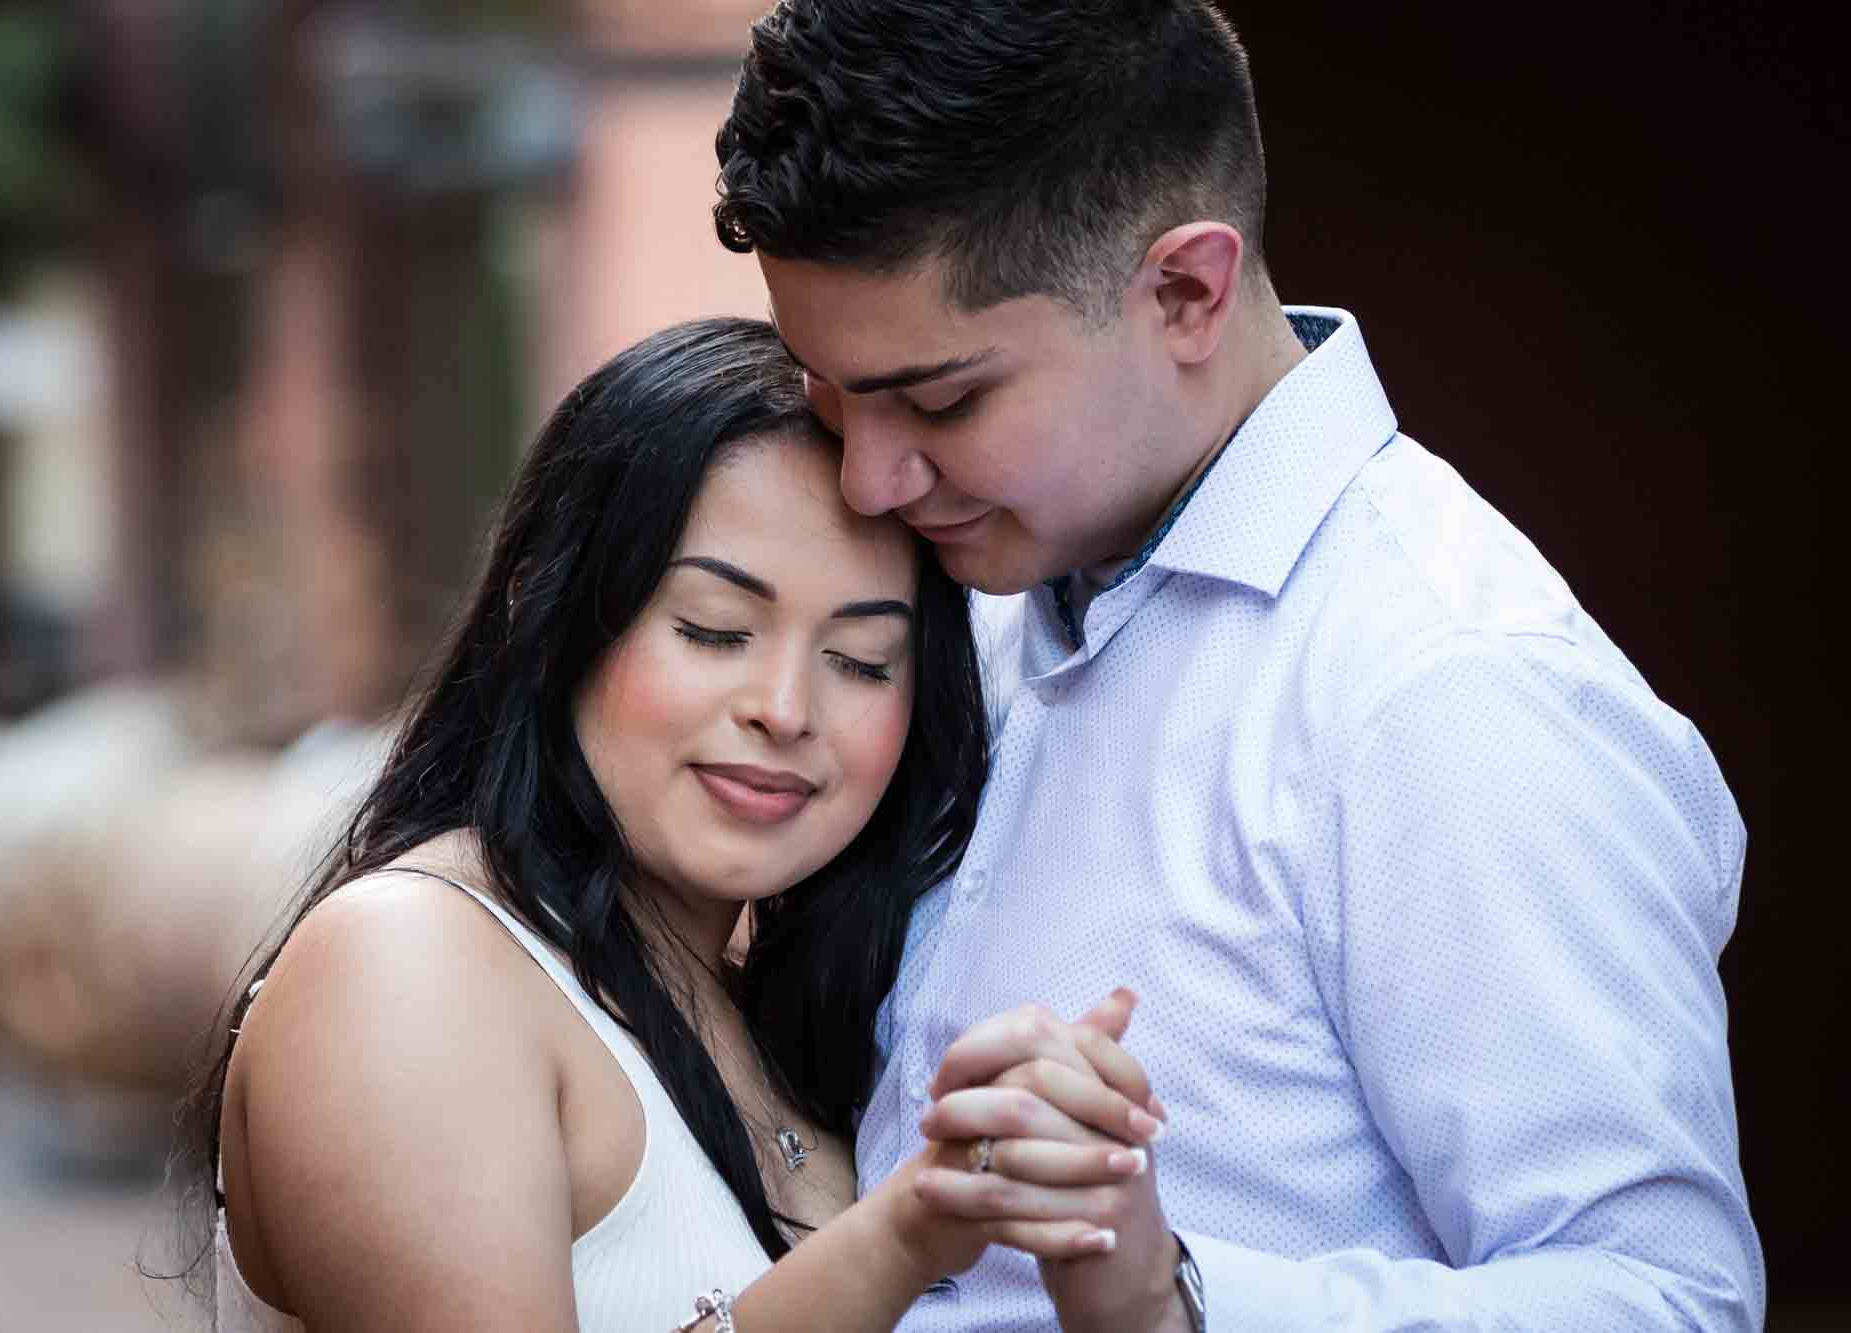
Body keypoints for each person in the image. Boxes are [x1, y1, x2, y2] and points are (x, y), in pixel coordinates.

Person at [711, 3, 1765, 1330]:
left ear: (1186, 291)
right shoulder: (973, 581)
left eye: (941, 401)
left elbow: (1669, 1301)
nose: (868, 474)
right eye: (827, 390)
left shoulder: (1448, 689)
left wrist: (1175, 1300)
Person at [183, 317, 1164, 1332]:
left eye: (862, 660)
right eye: (713, 630)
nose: (784, 709)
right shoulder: (408, 961)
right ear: (548, 609)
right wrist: (903, 1234)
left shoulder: (782, 1017)